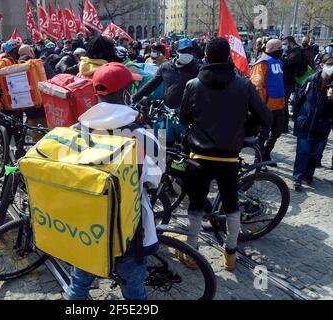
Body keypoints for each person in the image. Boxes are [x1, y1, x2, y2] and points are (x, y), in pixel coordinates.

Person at [67, 62, 162, 300]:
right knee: (134, 292)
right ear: (127, 93)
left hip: (87, 226)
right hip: (129, 229)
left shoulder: (75, 130)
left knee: (78, 286)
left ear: (97, 93)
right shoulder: (141, 134)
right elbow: (154, 178)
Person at [179, 38, 272, 271]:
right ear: (229, 57)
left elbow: (184, 118)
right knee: (231, 204)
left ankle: (191, 252)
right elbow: (265, 117)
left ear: (206, 58)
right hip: (229, 158)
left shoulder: (192, 85)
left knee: (196, 205)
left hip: (198, 156)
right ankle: (230, 255)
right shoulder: (244, 85)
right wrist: (243, 126)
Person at [292, 54, 333, 191]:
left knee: (315, 154)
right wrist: (297, 118)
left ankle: (309, 174)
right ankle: (298, 177)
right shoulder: (310, 81)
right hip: (306, 123)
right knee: (302, 152)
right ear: (322, 65)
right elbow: (298, 100)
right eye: (329, 65)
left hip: (322, 126)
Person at [133, 38, 201, 110]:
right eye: (183, 51)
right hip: (168, 112)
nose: (187, 54)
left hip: (189, 113)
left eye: (189, 51)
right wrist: (133, 99)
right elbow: (150, 85)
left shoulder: (197, 69)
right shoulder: (165, 67)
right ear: (176, 51)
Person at [250, 39, 286, 166]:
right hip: (267, 107)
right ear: (271, 49)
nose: (282, 50)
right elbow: (257, 87)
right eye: (280, 48)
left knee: (276, 133)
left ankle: (266, 154)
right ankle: (258, 161)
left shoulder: (279, 62)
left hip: (279, 105)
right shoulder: (261, 64)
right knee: (262, 136)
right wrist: (260, 108)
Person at [282, 36, 304, 133]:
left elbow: (287, 62)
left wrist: (281, 56)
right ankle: (283, 125)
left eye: (285, 43)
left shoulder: (297, 52)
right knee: (283, 103)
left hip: (289, 81)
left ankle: (284, 125)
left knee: (283, 103)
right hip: (286, 79)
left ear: (290, 42)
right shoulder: (292, 51)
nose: (284, 46)